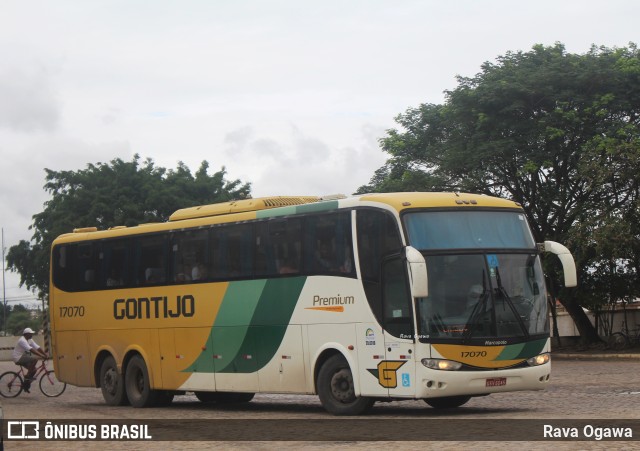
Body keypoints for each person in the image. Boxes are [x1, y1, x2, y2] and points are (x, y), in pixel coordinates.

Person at [12, 328, 48, 393]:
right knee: (35, 358)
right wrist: (41, 355)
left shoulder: (29, 340)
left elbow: (37, 347)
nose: (32, 334)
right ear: (26, 334)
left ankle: (25, 386)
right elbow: (31, 349)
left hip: (24, 356)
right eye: (30, 333)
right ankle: (27, 375)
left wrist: (45, 354)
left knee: (34, 370)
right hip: (17, 357)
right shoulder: (22, 340)